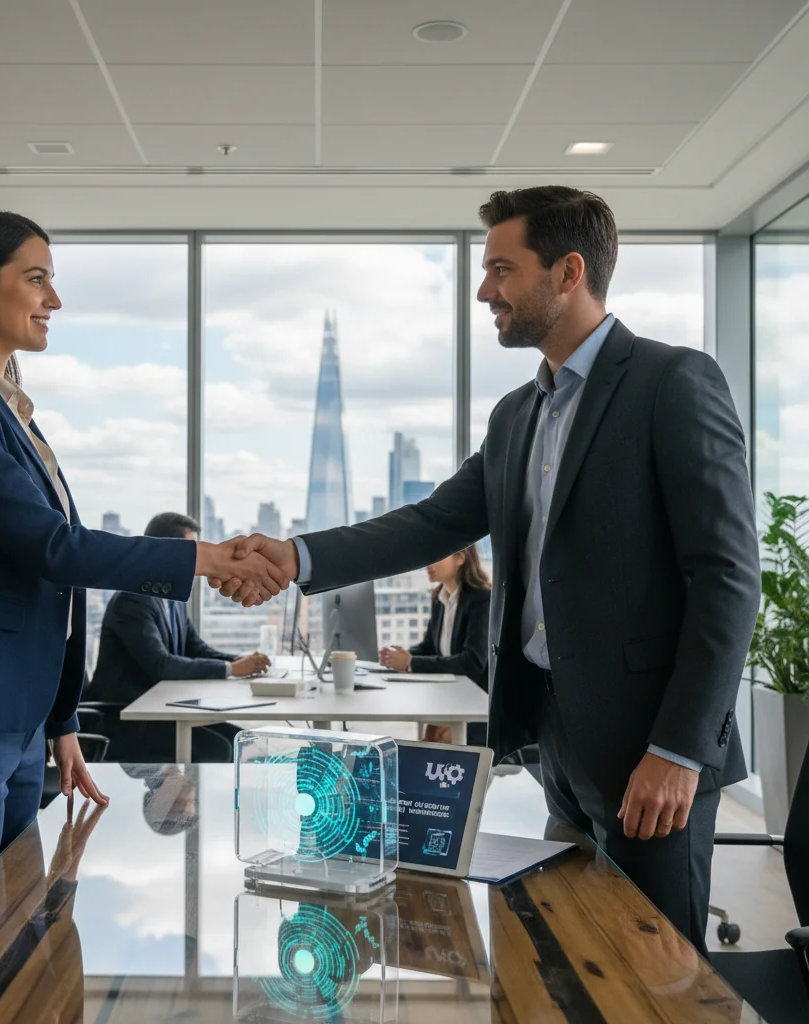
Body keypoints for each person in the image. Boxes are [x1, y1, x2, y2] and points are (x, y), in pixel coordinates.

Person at [217, 186, 760, 954]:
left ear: (568, 272)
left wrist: (679, 751)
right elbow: (431, 523)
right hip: (554, 737)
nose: (484, 291)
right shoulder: (518, 414)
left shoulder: (671, 383)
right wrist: (296, 556)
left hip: (651, 746)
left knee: (657, 968)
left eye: (502, 270)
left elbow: (730, 579)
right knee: (569, 947)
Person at [0, 208, 286, 955]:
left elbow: (45, 588)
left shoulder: (13, 414)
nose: (53, 301)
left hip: (16, 724)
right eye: (36, 280)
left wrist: (59, 720)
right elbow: (53, 549)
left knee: (10, 943)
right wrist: (208, 558)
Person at [86, 511, 270, 762]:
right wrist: (231, 669)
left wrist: (241, 661)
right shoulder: (132, 600)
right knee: (221, 749)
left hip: (161, 710)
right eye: (190, 550)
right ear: (164, 551)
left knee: (244, 742)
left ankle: (197, 801)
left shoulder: (171, 595)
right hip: (127, 719)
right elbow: (162, 665)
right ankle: (193, 801)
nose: (196, 559)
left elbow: (195, 647)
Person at [379, 543, 490, 745]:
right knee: (430, 737)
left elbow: (473, 661)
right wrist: (397, 657)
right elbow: (429, 647)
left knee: (436, 740)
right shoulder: (440, 598)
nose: (427, 563)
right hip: (452, 697)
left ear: (460, 558)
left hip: (480, 703)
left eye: (436, 556)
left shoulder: (482, 600)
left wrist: (410, 662)